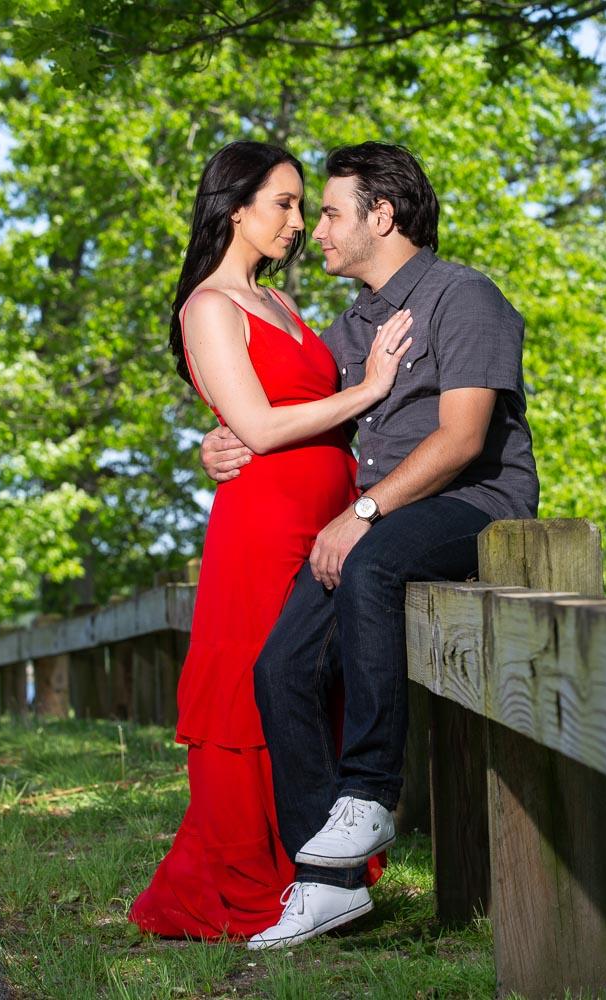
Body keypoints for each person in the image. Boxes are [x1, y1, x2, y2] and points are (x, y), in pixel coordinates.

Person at [201, 142, 539, 950]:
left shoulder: (465, 297)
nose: (314, 228)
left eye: (328, 211)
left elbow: (461, 440)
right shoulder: (350, 328)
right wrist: (218, 446)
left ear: (379, 217)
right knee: (278, 668)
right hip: (376, 522)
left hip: (474, 507)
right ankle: (326, 885)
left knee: (375, 560)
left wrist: (367, 513)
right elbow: (287, 416)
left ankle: (368, 795)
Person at [126, 141, 415, 940]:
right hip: (263, 528)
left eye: (301, 206)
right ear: (234, 206)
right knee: (258, 688)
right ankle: (260, 879)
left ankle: (321, 873)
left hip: (329, 520)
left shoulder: (284, 307)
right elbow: (253, 424)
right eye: (283, 203)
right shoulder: (209, 307)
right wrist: (369, 388)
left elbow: (273, 409)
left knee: (315, 689)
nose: (297, 222)